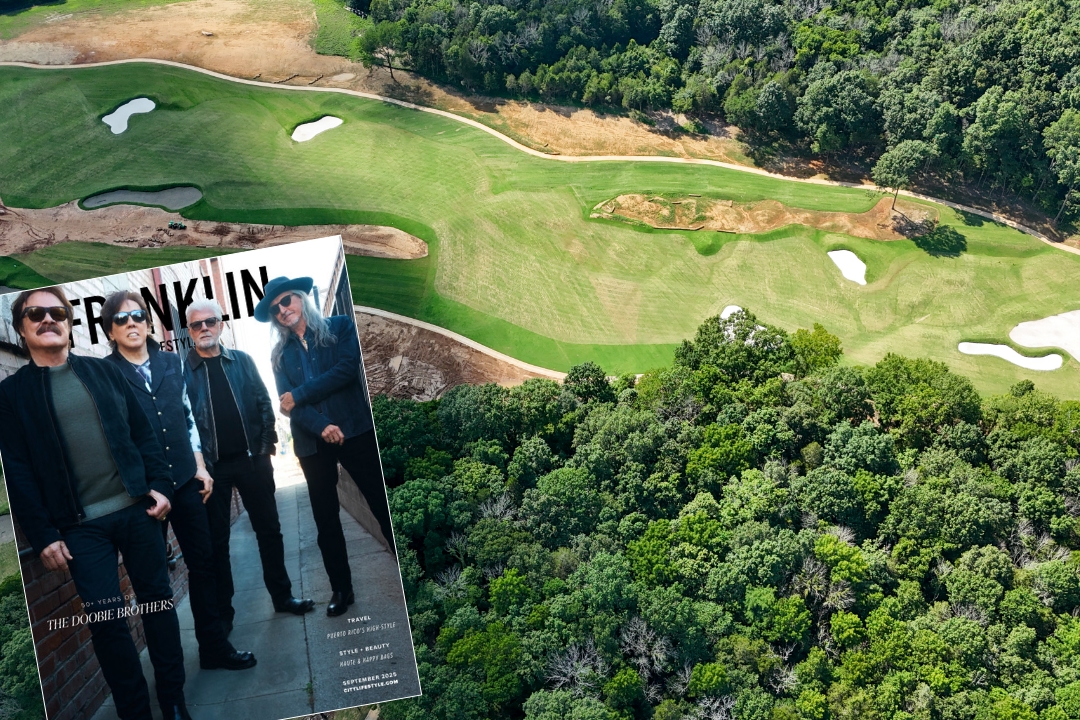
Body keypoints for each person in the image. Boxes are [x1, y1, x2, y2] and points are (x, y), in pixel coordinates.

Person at [0, 287, 191, 720]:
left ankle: (174, 700)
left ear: (69, 322)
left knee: (158, 604)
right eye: (36, 314)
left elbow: (143, 433)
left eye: (58, 312)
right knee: (107, 622)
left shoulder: (104, 373)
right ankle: (135, 712)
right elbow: (18, 470)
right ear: (21, 328)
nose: (48, 319)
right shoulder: (12, 397)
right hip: (80, 529)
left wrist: (160, 484)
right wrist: (44, 534)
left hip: (137, 511)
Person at [101, 291, 257, 671]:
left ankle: (214, 649)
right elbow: (112, 438)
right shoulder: (104, 374)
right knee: (154, 585)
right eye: (121, 319)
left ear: (149, 323)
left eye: (138, 315)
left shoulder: (172, 363)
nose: (132, 323)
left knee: (204, 565)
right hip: (144, 496)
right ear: (110, 331)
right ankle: (170, 675)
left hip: (187, 481)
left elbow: (189, 421)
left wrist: (201, 467)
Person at [255, 277, 396, 617]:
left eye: (286, 301)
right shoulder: (279, 356)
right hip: (312, 444)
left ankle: (408, 565)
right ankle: (341, 590)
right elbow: (287, 407)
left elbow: (345, 371)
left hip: (355, 431)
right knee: (325, 521)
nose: (282, 310)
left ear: (300, 298)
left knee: (381, 501)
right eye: (275, 309)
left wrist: (301, 393)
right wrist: (322, 426)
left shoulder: (340, 327)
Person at [182, 298, 314, 631]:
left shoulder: (240, 361)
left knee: (269, 531)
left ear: (221, 324)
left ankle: (283, 597)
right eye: (197, 325)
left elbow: (263, 403)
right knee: (217, 545)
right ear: (189, 331)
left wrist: (264, 449)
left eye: (210, 322)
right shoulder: (182, 374)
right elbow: (184, 422)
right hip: (212, 471)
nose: (204, 329)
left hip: (251, 461)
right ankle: (224, 617)